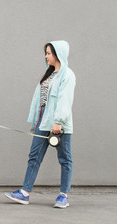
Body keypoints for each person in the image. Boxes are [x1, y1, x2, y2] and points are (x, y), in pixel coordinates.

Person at [5, 40, 76, 208]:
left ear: (59, 54)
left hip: (60, 123)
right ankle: (25, 193)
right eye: (46, 53)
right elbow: (41, 102)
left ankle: (63, 196)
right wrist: (36, 122)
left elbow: (65, 100)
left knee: (65, 159)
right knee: (34, 156)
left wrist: (58, 122)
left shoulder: (67, 74)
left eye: (49, 53)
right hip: (43, 121)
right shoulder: (48, 73)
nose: (46, 56)